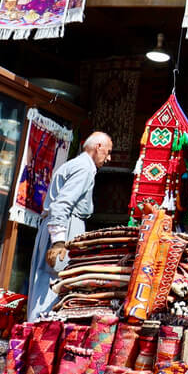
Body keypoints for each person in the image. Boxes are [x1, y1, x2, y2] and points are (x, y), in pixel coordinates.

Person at [28, 132, 113, 319]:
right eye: (107, 152)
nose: (108, 158)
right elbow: (62, 204)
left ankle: (36, 332)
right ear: (97, 147)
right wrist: (59, 241)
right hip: (64, 227)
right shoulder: (84, 168)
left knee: (47, 281)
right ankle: (39, 333)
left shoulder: (78, 165)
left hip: (58, 225)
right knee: (53, 284)